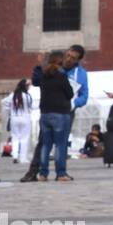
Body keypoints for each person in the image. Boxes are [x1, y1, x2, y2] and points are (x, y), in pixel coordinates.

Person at [34, 49, 74, 182]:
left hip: (45, 113)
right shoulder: (61, 76)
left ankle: (43, 173)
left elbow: (35, 81)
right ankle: (61, 173)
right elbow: (70, 93)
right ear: (60, 61)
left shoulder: (44, 75)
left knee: (46, 145)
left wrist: (39, 65)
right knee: (60, 144)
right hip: (60, 113)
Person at [1, 79, 34, 165]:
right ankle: (23, 158)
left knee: (15, 138)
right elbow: (32, 106)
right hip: (25, 118)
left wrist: (9, 110)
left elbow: (3, 102)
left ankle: (15, 155)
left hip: (14, 118)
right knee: (24, 138)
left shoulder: (13, 95)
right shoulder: (27, 96)